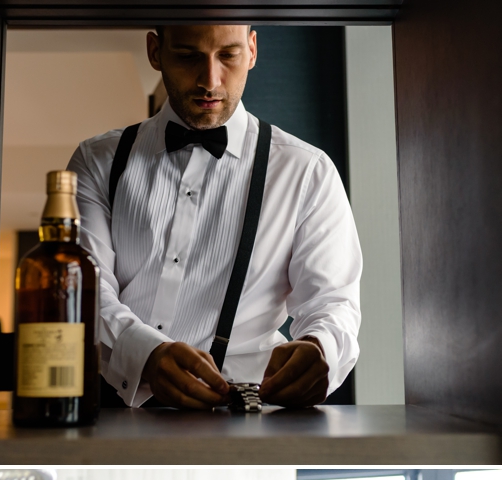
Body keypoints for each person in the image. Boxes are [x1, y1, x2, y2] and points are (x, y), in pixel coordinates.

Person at [68, 23, 361, 410]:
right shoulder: (97, 161)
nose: (210, 80)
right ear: (155, 51)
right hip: (109, 411)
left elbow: (332, 302)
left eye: (228, 55)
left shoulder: (308, 171)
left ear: (252, 50)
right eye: (189, 55)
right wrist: (146, 355)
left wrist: (321, 348)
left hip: (247, 421)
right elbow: (85, 289)